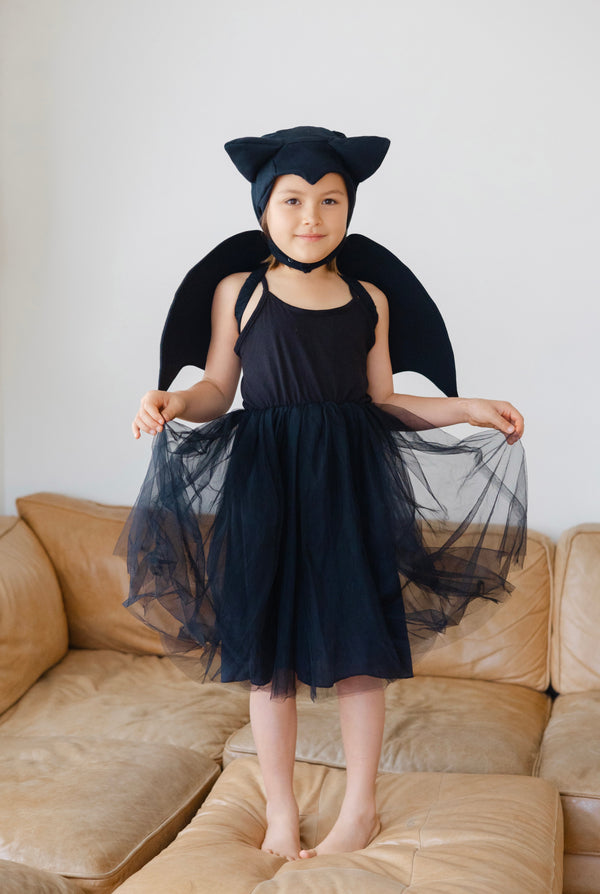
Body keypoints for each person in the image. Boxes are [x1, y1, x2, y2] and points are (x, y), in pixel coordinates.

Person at [116, 127, 526, 862]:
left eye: (330, 200)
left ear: (349, 209)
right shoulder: (238, 293)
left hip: (350, 489)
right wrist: (172, 400)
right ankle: (279, 813)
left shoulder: (367, 298)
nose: (312, 215)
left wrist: (468, 407)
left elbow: (383, 403)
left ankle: (360, 809)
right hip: (265, 490)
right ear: (264, 211)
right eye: (294, 199)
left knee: (360, 651)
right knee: (269, 660)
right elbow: (217, 389)